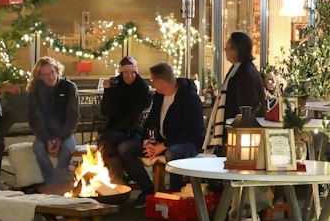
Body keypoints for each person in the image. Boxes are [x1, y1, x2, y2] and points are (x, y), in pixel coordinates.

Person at [121, 62, 204, 197]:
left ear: (161, 81)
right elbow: (151, 120)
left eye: (153, 81)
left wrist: (164, 146)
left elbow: (192, 131)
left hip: (186, 143)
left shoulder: (189, 98)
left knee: (172, 153)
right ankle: (147, 189)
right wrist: (148, 141)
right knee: (125, 148)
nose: (152, 84)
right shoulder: (159, 96)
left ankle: (175, 191)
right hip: (160, 141)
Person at [98, 56, 152, 197]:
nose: (129, 76)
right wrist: (108, 91)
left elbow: (134, 117)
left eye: (132, 72)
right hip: (116, 130)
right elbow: (105, 112)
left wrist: (113, 130)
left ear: (136, 72)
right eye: (126, 73)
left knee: (107, 139)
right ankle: (119, 183)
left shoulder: (142, 89)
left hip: (133, 130)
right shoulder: (116, 86)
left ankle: (119, 183)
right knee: (109, 146)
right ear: (121, 73)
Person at [27, 57, 80, 186]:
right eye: (45, 74)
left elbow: (73, 117)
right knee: (39, 150)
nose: (50, 77)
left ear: (57, 70)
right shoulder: (35, 91)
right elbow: (35, 119)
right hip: (44, 134)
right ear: (39, 76)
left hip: (65, 133)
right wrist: (46, 139)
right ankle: (53, 185)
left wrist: (60, 138)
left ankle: (56, 184)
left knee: (66, 151)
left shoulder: (69, 87)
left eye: (52, 72)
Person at [215, 30, 268, 149]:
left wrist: (237, 128)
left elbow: (247, 107)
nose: (224, 50)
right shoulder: (241, 69)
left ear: (236, 50)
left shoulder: (245, 73)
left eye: (227, 46)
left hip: (243, 135)